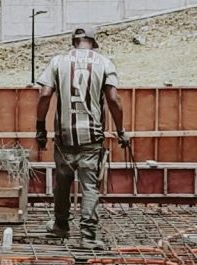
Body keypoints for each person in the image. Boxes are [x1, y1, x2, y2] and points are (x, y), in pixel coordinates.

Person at [34, 24, 131, 245]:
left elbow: (44, 95)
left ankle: (60, 226)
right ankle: (88, 237)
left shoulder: (58, 62)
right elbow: (114, 100)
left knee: (62, 182)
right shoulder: (105, 63)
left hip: (64, 136)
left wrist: (40, 127)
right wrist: (120, 131)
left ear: (73, 42)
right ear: (93, 42)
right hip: (91, 138)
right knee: (89, 186)